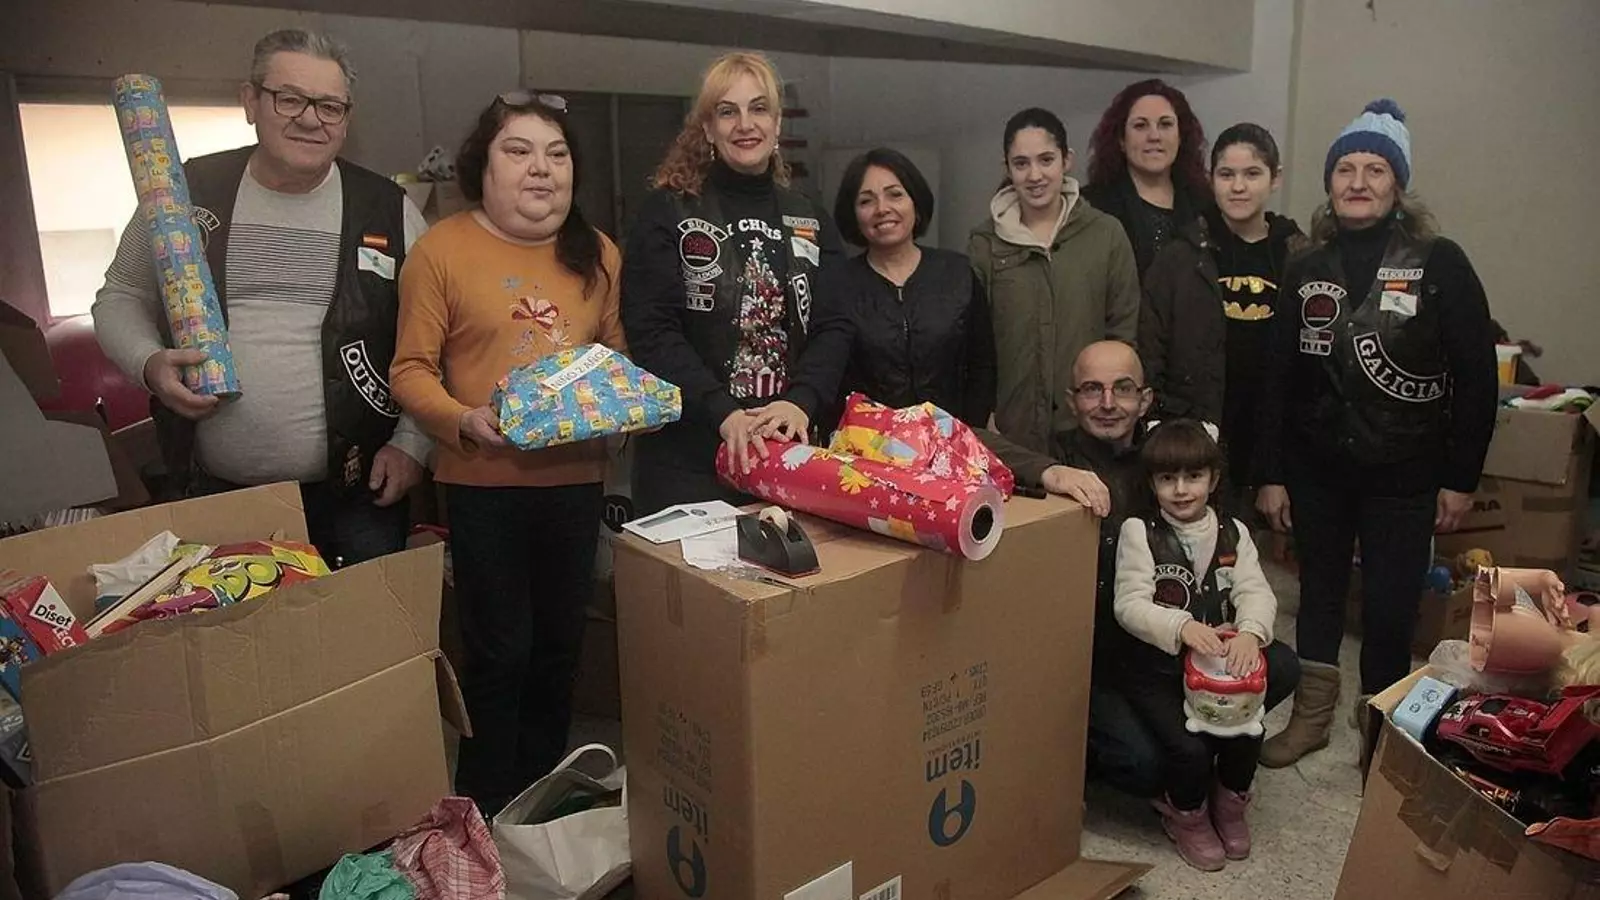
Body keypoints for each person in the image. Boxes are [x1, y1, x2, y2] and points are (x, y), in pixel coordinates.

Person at [92, 28, 429, 566]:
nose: (311, 119)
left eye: (330, 106)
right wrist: (148, 362)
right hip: (216, 492)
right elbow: (121, 294)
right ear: (250, 101)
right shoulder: (187, 190)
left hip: (359, 493)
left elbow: (434, 333)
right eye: (289, 98)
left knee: (366, 621)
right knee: (234, 620)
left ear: (346, 119)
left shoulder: (389, 208)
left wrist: (413, 442)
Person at [390, 92, 626, 814]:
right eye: (518, 152)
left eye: (557, 155)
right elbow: (410, 371)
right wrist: (464, 420)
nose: (541, 169)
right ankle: (486, 811)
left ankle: (543, 805)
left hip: (575, 483)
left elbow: (615, 356)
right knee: (499, 654)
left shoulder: (598, 252)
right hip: (483, 484)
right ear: (483, 167)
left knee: (560, 650)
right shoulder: (441, 251)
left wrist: (624, 411)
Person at [1253, 100, 1498, 767]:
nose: (1358, 182)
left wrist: (1460, 477)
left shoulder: (1440, 263)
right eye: (1346, 169)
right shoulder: (1305, 266)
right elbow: (1276, 377)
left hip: (1406, 474)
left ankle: (1382, 731)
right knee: (1319, 597)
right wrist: (1271, 472)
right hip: (1317, 470)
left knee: (1391, 610)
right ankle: (1310, 719)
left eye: (1375, 169)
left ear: (1397, 186)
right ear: (1329, 183)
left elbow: (1478, 377)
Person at [981, 341, 1301, 799]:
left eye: (1123, 389)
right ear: (1071, 400)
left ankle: (1211, 742)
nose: (1108, 403)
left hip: (1177, 633)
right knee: (1146, 765)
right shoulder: (1053, 448)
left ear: (1145, 399)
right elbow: (972, 440)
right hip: (1102, 649)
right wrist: (1050, 471)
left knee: (1280, 666)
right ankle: (1157, 752)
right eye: (1092, 390)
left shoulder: (1169, 456)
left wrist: (1235, 625)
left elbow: (1227, 550)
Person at [621, 51, 847, 515]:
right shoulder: (667, 212)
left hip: (787, 453)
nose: (745, 124)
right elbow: (652, 329)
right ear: (708, 128)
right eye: (728, 111)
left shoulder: (809, 217)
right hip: (688, 459)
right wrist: (721, 411)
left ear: (777, 124)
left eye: (758, 108)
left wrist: (801, 402)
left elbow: (835, 325)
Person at [1113, 420, 1279, 872]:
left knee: (1248, 730)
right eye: (1168, 478)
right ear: (1152, 483)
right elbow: (1128, 604)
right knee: (1190, 748)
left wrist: (1250, 632)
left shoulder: (1234, 531)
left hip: (1215, 666)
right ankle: (1187, 814)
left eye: (1193, 476)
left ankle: (1230, 803)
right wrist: (1181, 626)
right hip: (1156, 668)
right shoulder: (1139, 531)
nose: (1182, 490)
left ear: (1214, 478)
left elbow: (1256, 590)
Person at [1139, 123, 1307, 514]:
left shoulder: (1299, 259)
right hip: (1194, 439)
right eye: (1227, 174)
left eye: (1252, 174)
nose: (1238, 187)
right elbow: (1150, 350)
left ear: (1275, 178)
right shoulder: (1179, 258)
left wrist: (1278, 468)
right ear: (1211, 178)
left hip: (1274, 444)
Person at [969, 108, 1140, 455]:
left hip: (1090, 431)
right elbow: (975, 344)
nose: (1035, 175)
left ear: (1067, 160)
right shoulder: (985, 243)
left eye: (1046, 160)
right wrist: (983, 411)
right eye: (1021, 163)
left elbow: (1124, 331)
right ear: (1007, 168)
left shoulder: (1106, 234)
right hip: (1011, 431)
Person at [822, 147, 995, 427]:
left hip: (952, 441)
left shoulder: (957, 273)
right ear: (852, 213)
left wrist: (966, 433)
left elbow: (983, 366)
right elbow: (826, 375)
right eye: (866, 201)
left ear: (915, 201)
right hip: (866, 446)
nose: (882, 209)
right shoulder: (838, 285)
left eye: (895, 194)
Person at [1082, 79, 1212, 280]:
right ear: (1121, 140)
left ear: (1180, 137)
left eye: (1165, 124)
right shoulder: (1091, 207)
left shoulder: (1206, 203)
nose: (1154, 136)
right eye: (1140, 126)